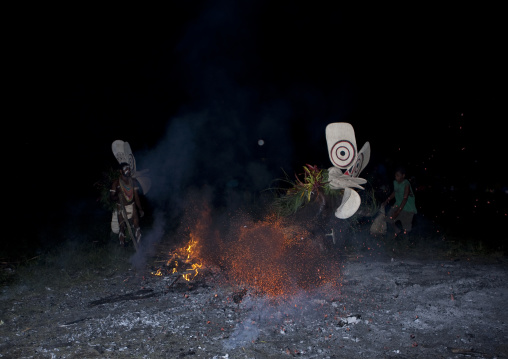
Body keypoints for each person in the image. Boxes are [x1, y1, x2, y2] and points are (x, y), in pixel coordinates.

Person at [110, 162, 144, 246]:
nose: (128, 170)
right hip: (121, 207)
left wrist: (140, 209)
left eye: (129, 168)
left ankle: (139, 247)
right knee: (122, 227)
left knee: (137, 225)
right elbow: (111, 197)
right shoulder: (116, 183)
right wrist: (117, 197)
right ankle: (122, 246)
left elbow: (136, 197)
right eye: (126, 169)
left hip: (132, 206)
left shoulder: (134, 181)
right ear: (121, 171)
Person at [382, 167, 417, 237]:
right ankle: (397, 230)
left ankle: (405, 242)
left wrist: (397, 212)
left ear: (403, 176)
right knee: (389, 218)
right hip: (398, 205)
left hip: (408, 208)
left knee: (406, 228)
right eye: (395, 176)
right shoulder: (395, 182)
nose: (396, 177)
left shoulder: (406, 184)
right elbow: (395, 192)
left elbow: (405, 199)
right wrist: (387, 200)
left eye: (398, 175)